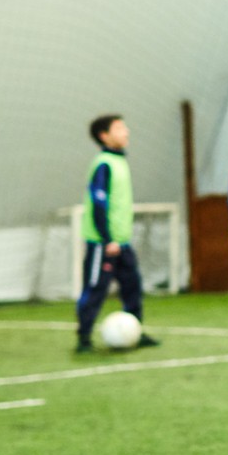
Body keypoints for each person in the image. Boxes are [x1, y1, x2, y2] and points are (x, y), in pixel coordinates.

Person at [75, 115, 161, 353]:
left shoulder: (120, 161)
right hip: (103, 242)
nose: (126, 132)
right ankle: (83, 337)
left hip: (122, 241)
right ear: (104, 135)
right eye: (120, 128)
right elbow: (99, 204)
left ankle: (136, 329)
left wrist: (119, 239)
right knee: (95, 288)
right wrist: (107, 239)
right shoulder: (103, 164)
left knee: (132, 285)